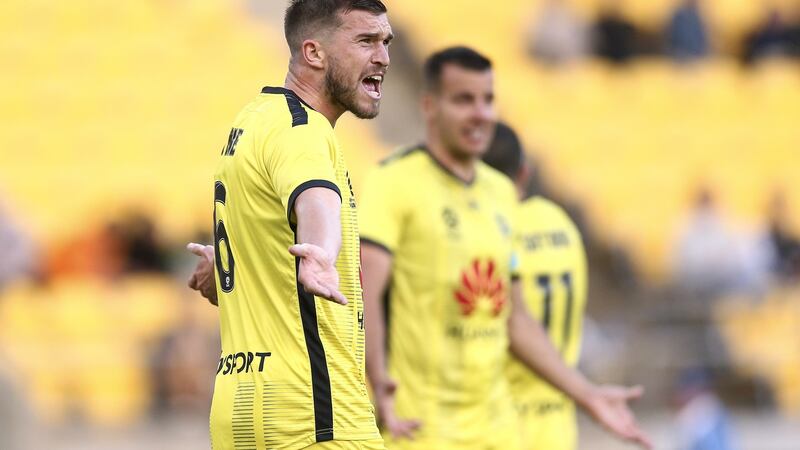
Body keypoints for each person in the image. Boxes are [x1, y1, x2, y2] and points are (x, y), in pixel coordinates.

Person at [358, 46, 650, 450]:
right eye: (464, 99)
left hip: (499, 431)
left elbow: (516, 319)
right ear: (429, 106)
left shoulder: (499, 194)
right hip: (421, 430)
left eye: (488, 99)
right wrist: (378, 383)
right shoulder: (394, 182)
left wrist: (586, 394)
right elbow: (364, 293)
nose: (481, 113)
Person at [189, 1, 393, 449]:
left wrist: (236, 271)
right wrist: (321, 252)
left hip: (241, 407)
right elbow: (316, 201)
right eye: (365, 41)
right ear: (314, 52)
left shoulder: (252, 121)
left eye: (385, 42)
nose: (383, 58)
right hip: (313, 413)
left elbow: (271, 226)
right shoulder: (304, 131)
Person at [482, 123, 588, 450]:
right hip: (558, 428)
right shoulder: (562, 224)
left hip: (500, 428)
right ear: (524, 172)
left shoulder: (488, 233)